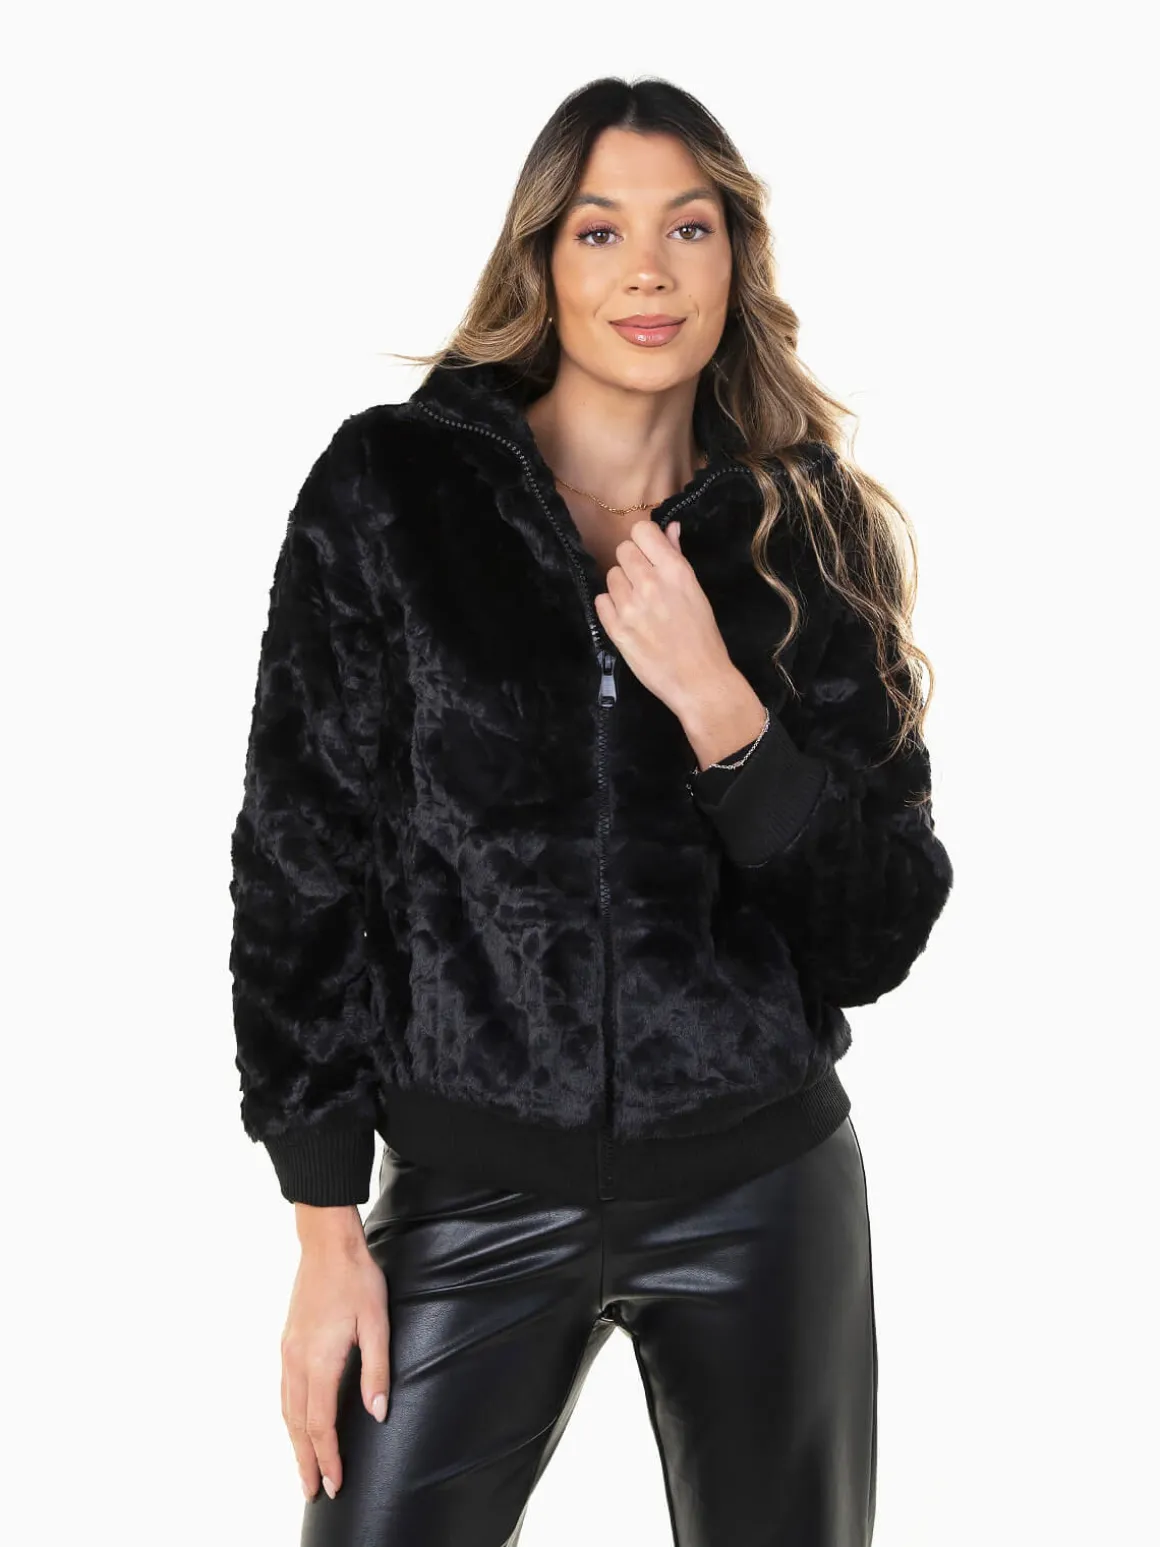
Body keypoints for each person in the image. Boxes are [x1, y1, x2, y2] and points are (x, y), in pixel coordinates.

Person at [228, 75, 954, 1547]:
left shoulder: (807, 535)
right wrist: (322, 1222)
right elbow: (299, 861)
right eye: (600, 230)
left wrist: (722, 709)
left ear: (735, 257)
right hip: (469, 1189)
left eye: (689, 227)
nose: (647, 271)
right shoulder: (396, 493)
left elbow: (877, 927)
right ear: (542, 262)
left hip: (762, 1187)